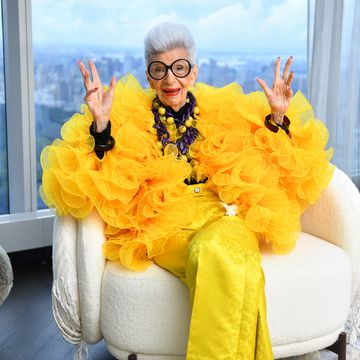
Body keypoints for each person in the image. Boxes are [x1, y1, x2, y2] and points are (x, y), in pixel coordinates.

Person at [40, 22, 334, 359]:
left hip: (226, 213)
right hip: (166, 223)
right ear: (149, 76)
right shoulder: (128, 116)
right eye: (159, 69)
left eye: (179, 68)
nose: (170, 80)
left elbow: (268, 158)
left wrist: (278, 117)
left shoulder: (223, 109)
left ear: (193, 72)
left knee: (218, 253)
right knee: (233, 266)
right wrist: (103, 126)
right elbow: (99, 174)